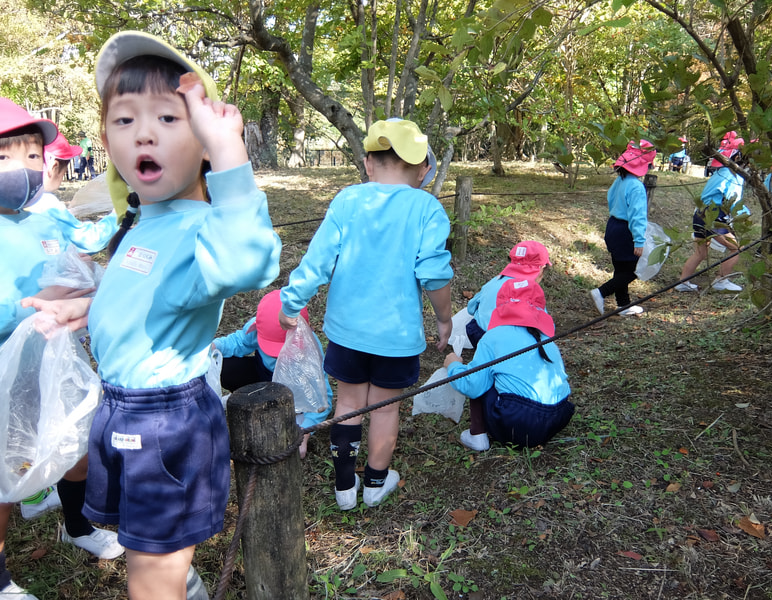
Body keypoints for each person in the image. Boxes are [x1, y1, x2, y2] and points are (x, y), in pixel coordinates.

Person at [22, 31, 282, 600]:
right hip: (121, 410)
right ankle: (176, 576)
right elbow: (148, 294)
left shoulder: (200, 231)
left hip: (164, 424)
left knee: (148, 575)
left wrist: (230, 153)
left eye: (169, 118)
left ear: (206, 140)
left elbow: (248, 261)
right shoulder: (149, 224)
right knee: (144, 541)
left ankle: (168, 579)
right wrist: (85, 308)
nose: (143, 131)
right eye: (125, 120)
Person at [278, 118, 453, 510]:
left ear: (368, 163)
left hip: (346, 332)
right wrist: (444, 318)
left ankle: (344, 490)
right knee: (386, 407)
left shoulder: (348, 200)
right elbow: (434, 273)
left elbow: (317, 261)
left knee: (348, 404)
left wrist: (290, 303)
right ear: (424, 169)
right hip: (396, 336)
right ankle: (374, 484)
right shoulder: (427, 207)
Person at [0, 97, 124, 600]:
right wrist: (34, 310)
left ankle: (78, 526)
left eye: (33, 158)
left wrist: (125, 216)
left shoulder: (45, 214)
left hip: (51, 361)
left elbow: (82, 252)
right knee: (3, 473)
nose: (25, 171)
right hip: (4, 368)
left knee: (77, 445)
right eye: (5, 157)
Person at [444, 278, 573, 451]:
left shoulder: (493, 336)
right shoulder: (546, 337)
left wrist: (453, 366)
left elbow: (472, 385)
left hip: (519, 422)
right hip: (560, 416)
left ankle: (477, 435)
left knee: (479, 375)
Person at [212, 290, 332, 458]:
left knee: (283, 433)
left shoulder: (311, 350)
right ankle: (248, 398)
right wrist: (214, 346)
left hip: (293, 394)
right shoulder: (258, 328)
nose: (278, 355)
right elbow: (238, 342)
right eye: (272, 348)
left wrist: (305, 432)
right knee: (228, 368)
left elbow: (322, 397)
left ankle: (288, 413)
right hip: (265, 380)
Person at [589, 140, 656, 317]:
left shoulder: (619, 181)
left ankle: (623, 305)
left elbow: (611, 199)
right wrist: (639, 240)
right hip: (626, 230)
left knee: (621, 267)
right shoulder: (636, 187)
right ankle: (601, 292)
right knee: (635, 269)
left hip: (613, 226)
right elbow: (637, 215)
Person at [25, 131, 118, 253]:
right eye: (64, 171)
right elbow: (90, 241)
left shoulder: (17, 203)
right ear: (54, 166)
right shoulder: (46, 204)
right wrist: (117, 216)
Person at [675, 138, 748, 293]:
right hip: (713, 216)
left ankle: (683, 282)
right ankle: (721, 280)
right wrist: (743, 214)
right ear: (737, 156)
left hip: (700, 213)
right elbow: (731, 200)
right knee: (736, 248)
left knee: (701, 252)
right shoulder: (731, 176)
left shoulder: (721, 172)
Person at [465, 240, 550, 347]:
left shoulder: (495, 281)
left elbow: (471, 308)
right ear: (542, 269)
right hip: (509, 346)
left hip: (479, 336)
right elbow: (544, 328)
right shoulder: (532, 294)